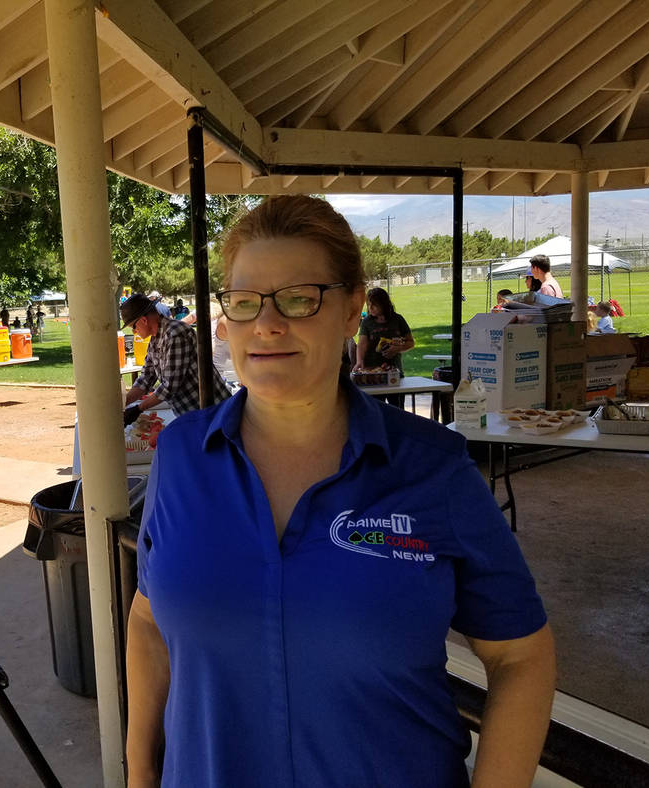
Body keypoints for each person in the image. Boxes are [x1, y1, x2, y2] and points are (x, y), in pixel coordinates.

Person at [126, 195, 555, 788]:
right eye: (246, 303)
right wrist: (139, 772)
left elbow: (521, 656)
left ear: (353, 308)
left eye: (300, 299)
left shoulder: (433, 470)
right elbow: (148, 622)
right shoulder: (180, 458)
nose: (267, 325)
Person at [120, 292, 230, 423]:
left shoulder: (176, 333)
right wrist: (123, 403)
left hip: (213, 411)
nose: (134, 332)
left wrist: (138, 409)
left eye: (133, 328)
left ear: (143, 320)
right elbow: (146, 378)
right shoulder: (155, 340)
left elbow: (170, 386)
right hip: (193, 415)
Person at [353, 286, 414, 375]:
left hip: (394, 370)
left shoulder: (397, 319)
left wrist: (397, 349)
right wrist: (359, 361)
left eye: (374, 304)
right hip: (372, 370)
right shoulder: (367, 322)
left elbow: (410, 342)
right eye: (369, 304)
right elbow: (362, 344)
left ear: (383, 304)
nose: (371, 307)